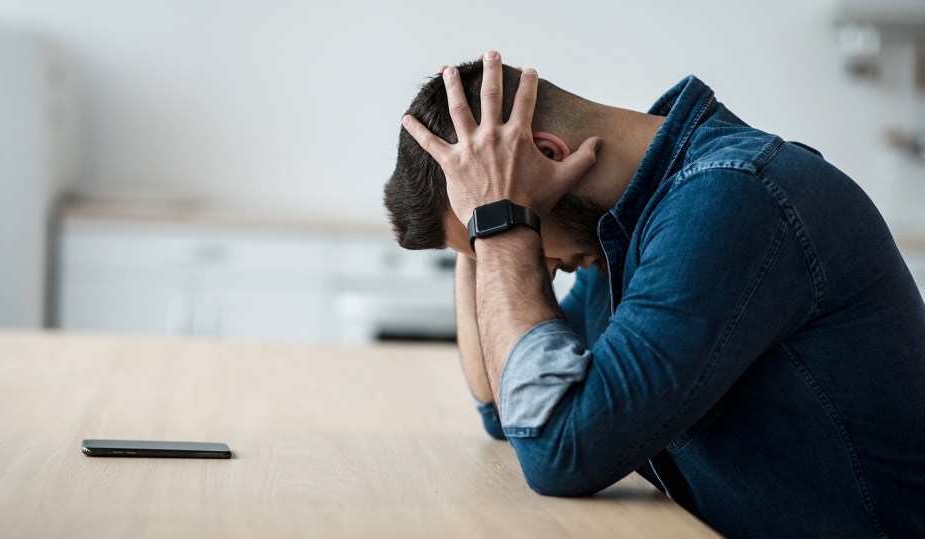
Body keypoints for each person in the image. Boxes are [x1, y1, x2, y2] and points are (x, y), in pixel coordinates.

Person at [383, 51, 925, 537]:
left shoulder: (731, 198)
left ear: (545, 154)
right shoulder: (625, 225)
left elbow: (555, 446)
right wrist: (482, 213)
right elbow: (511, 410)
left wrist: (499, 222)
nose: (538, 263)